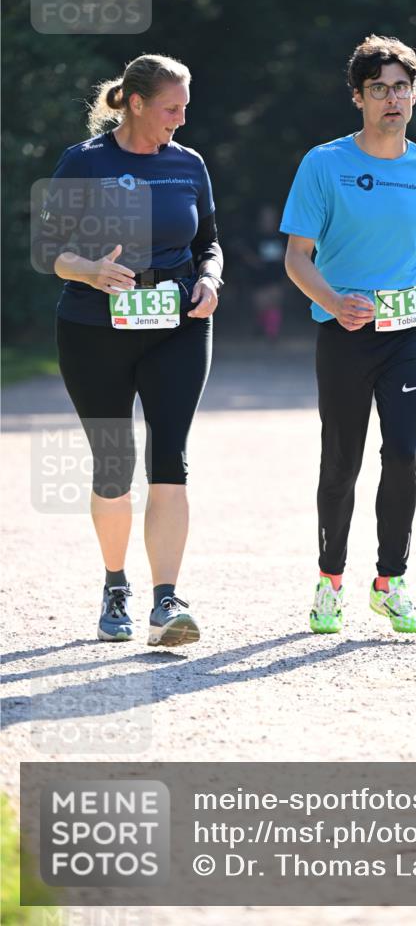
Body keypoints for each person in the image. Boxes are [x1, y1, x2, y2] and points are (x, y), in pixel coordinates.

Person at [38, 53, 223, 646]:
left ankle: (167, 601)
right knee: (114, 463)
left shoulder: (188, 163)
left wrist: (210, 279)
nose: (181, 119)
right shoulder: (85, 162)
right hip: (95, 328)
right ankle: (116, 585)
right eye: (171, 108)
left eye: (185, 108)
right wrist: (91, 271)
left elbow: (209, 243)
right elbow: (49, 250)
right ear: (136, 104)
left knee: (170, 456)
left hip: (178, 325)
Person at [281, 34, 416, 635]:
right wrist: (334, 303)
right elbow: (297, 257)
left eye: (401, 87)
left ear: (415, 94)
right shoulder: (324, 163)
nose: (392, 98)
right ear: (358, 97)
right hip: (345, 335)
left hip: (408, 334)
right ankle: (329, 581)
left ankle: (391, 583)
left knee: (404, 455)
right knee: (341, 462)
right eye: (379, 88)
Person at [240, 204, 286, 339]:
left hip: (276, 276)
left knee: (274, 303)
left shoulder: (281, 235)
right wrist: (255, 261)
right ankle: (260, 327)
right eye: (266, 218)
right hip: (259, 277)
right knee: (261, 305)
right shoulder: (254, 236)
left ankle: (272, 333)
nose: (268, 221)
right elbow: (245, 253)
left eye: (271, 218)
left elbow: (289, 254)